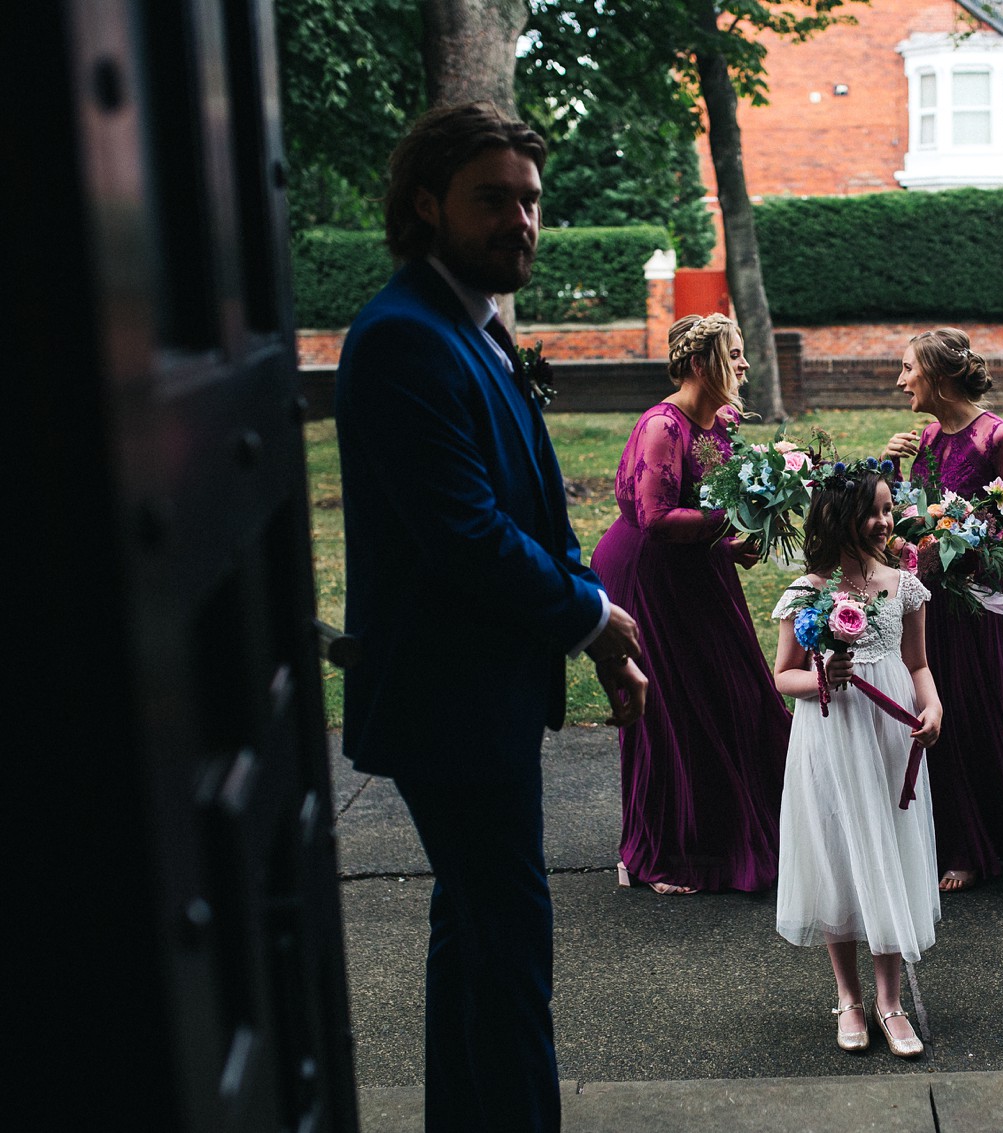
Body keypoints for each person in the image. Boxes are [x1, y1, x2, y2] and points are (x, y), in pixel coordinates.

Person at [335, 102, 647, 1133]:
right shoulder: (401, 339)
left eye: (529, 199)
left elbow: (533, 502)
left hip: (484, 695)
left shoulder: (468, 324)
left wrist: (584, 623)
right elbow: (465, 535)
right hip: (449, 701)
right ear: (425, 205)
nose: (520, 218)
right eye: (491, 198)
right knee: (508, 946)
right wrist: (594, 616)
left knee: (470, 935)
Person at [591, 314, 793, 894]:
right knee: (671, 710)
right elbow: (654, 518)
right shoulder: (664, 428)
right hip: (646, 578)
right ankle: (658, 850)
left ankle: (744, 825)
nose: (745, 364)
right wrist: (728, 525)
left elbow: (716, 496)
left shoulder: (722, 421)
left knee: (735, 691)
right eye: (734, 354)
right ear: (702, 363)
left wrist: (735, 539)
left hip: (697, 567)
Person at [882, 329, 1003, 891]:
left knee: (973, 711)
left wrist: (972, 552)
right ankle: (939, 837)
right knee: (931, 711)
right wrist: (893, 473)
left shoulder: (998, 439)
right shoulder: (928, 438)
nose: (900, 381)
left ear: (939, 378)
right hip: (927, 602)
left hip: (978, 604)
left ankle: (977, 844)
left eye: (908, 369)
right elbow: (912, 515)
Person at [771, 462, 943, 1057]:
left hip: (891, 737)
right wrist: (822, 675)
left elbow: (917, 664)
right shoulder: (809, 592)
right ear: (841, 518)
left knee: (888, 850)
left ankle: (891, 1003)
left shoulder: (903, 586)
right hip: (831, 737)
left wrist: (933, 707)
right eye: (872, 511)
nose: (883, 521)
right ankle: (849, 997)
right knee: (840, 854)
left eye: (888, 509)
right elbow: (782, 676)